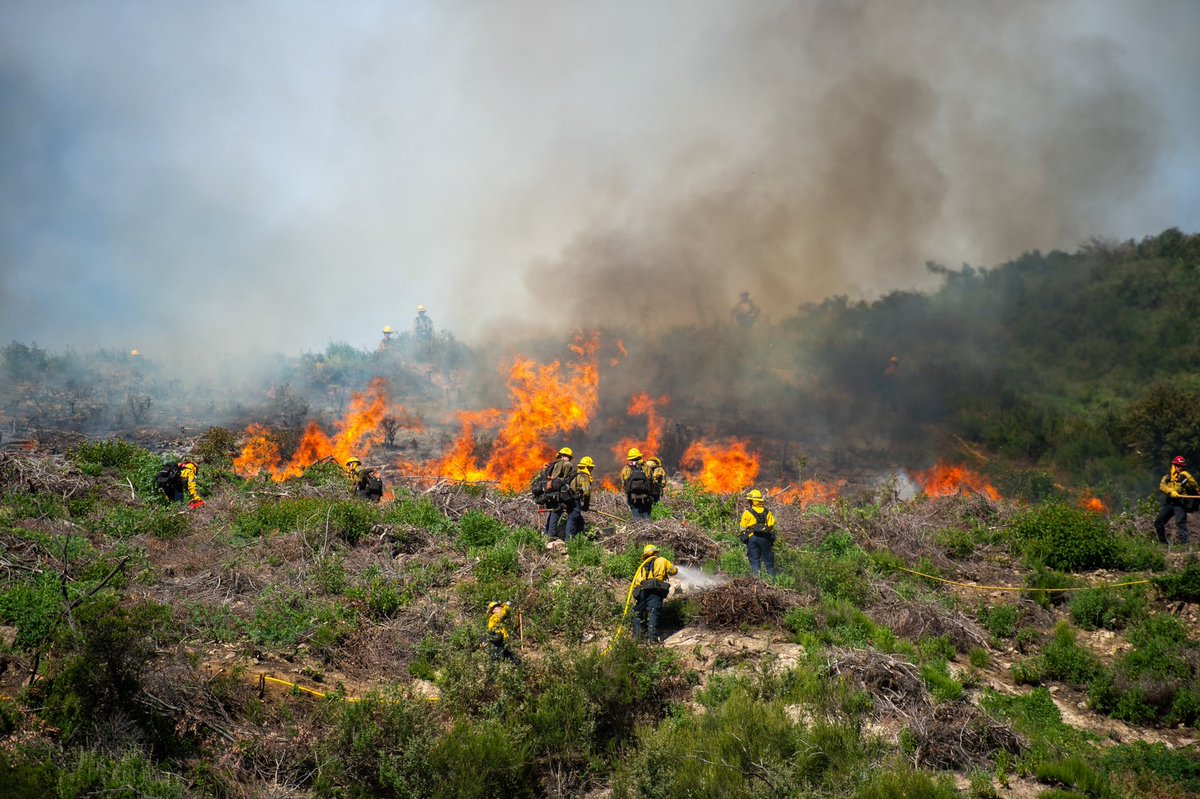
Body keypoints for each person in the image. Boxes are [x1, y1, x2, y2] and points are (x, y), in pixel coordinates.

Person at [630, 544, 677, 643]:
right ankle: (653, 639)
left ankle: (638, 638)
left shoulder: (642, 566)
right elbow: (674, 571)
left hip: (642, 592)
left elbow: (636, 582)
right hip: (655, 591)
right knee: (653, 612)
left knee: (635, 613)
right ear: (655, 552)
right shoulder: (662, 560)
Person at [1156, 455, 1199, 545]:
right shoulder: (1168, 477)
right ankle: (1163, 543)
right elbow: (1162, 486)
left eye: (1182, 466)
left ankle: (1185, 544)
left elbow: (1195, 487)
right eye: (1178, 466)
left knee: (1180, 523)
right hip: (1169, 502)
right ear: (1174, 466)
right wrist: (1171, 491)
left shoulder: (1185, 477)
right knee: (1159, 522)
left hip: (1180, 503)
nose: (1180, 468)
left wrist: (1188, 478)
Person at [536, 447, 577, 538]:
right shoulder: (565, 464)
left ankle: (547, 532)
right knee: (556, 512)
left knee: (553, 512)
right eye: (568, 457)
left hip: (550, 492)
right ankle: (551, 534)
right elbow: (565, 476)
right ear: (563, 456)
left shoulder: (554, 464)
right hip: (557, 493)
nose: (569, 459)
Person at [739, 489, 776, 578]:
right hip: (765, 538)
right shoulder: (767, 512)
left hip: (753, 538)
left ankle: (757, 580)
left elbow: (742, 527)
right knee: (768, 560)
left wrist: (744, 535)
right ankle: (772, 581)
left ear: (752, 501)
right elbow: (771, 525)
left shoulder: (747, 513)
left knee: (754, 560)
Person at [564, 456, 594, 542]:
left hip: (570, 500)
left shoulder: (575, 474)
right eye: (591, 467)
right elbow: (587, 493)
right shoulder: (584, 477)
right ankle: (568, 541)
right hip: (575, 501)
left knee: (580, 521)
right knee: (573, 517)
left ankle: (578, 539)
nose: (592, 469)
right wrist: (586, 505)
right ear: (587, 467)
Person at [621, 448, 654, 520]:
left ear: (629, 458)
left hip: (633, 498)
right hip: (646, 498)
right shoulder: (646, 467)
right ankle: (648, 530)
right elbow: (651, 481)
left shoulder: (626, 469)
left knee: (636, 518)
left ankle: (638, 530)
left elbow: (624, 484)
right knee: (647, 518)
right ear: (639, 457)